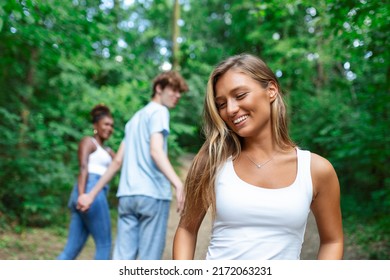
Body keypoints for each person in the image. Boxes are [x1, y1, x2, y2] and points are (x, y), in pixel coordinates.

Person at [172, 54, 344, 260]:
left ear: (271, 90)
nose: (231, 109)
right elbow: (186, 230)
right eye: (221, 104)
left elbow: (333, 241)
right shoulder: (212, 160)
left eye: (240, 95)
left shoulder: (316, 169)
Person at [77, 71, 189, 260]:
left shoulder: (134, 120)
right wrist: (178, 183)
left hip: (128, 197)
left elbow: (117, 162)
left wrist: (90, 195)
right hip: (152, 196)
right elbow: (156, 150)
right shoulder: (160, 111)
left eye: (180, 92)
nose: (177, 95)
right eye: (174, 90)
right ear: (159, 88)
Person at [57, 104, 115, 260]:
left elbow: (121, 162)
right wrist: (83, 196)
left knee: (71, 249)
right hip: (90, 191)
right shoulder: (88, 142)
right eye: (106, 124)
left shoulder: (108, 151)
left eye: (112, 125)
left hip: (90, 193)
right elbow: (83, 168)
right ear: (95, 126)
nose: (110, 128)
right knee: (105, 245)